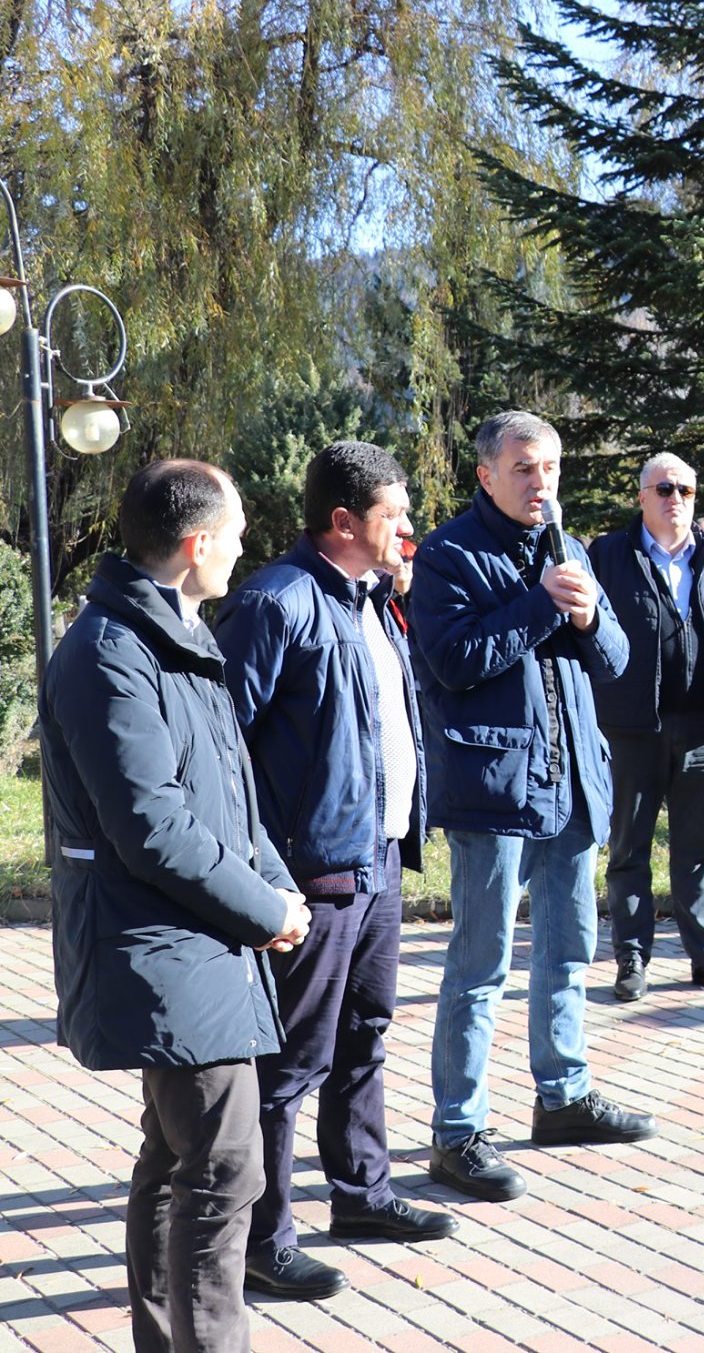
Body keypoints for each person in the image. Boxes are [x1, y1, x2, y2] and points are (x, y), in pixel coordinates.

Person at [42, 459, 313, 1351]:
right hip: (162, 946)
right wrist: (263, 911)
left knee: (176, 1158)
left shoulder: (178, 633)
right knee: (224, 1167)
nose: (245, 545)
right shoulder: (108, 652)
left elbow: (229, 795)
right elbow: (154, 829)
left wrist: (275, 886)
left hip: (201, 943)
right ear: (197, 544)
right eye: (235, 533)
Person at [215, 443, 453, 1303]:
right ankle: (263, 1237)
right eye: (395, 514)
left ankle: (362, 1194)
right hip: (310, 877)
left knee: (364, 1035)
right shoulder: (276, 602)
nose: (409, 528)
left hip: (377, 860)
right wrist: (267, 873)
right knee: (289, 1062)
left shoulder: (373, 600)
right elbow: (221, 749)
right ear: (344, 521)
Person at [411, 410, 654, 1204]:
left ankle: (563, 1096)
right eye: (523, 467)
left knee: (569, 949)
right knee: (480, 966)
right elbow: (452, 660)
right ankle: (457, 1132)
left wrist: (586, 616)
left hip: (572, 781)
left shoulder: (567, 546)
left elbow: (614, 659)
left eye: (550, 466)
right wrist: (543, 607)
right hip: (495, 789)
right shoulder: (449, 553)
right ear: (486, 475)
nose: (540, 481)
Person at [587, 454, 704, 1004]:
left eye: (685, 490)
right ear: (642, 496)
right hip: (633, 724)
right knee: (629, 848)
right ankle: (632, 957)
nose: (676, 499)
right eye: (664, 489)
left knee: (700, 846)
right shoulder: (609, 554)